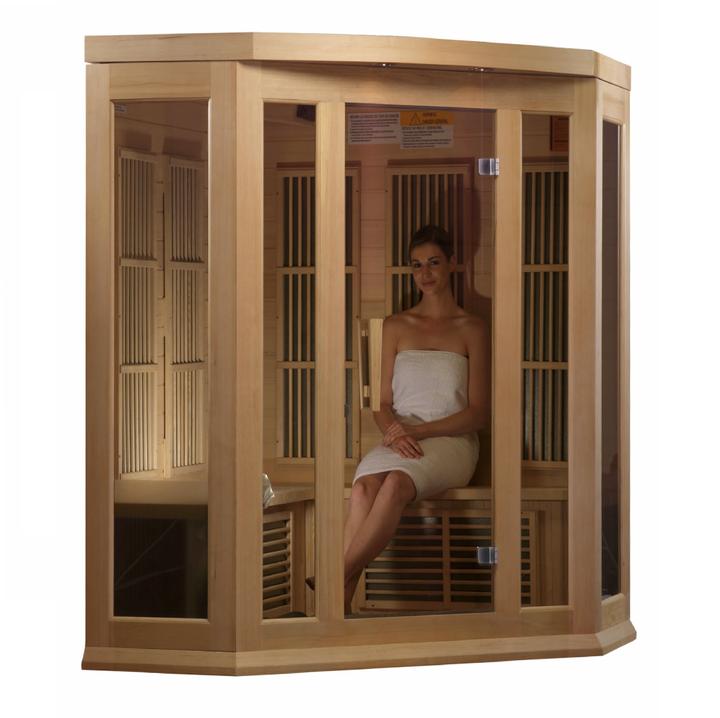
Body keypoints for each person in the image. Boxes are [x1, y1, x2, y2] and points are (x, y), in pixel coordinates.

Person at [341, 224, 490, 614]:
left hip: (452, 442)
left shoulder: (472, 328)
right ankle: (339, 608)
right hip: (399, 435)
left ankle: (334, 578)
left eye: (434, 262)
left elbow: (478, 414)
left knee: (394, 484)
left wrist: (418, 431)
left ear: (452, 263)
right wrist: (396, 433)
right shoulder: (395, 326)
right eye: (417, 265)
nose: (425, 273)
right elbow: (382, 404)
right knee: (362, 490)